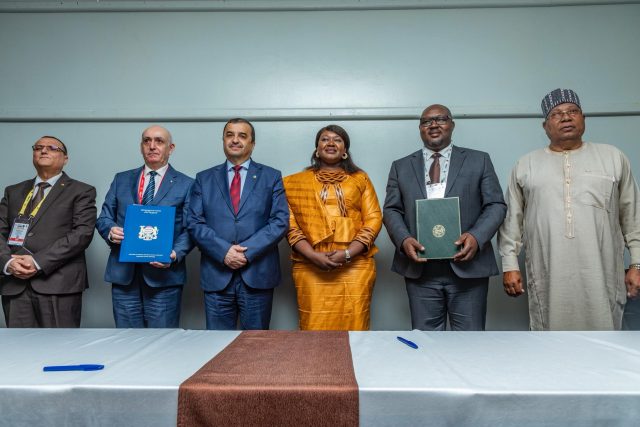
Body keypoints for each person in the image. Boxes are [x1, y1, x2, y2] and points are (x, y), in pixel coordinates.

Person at [498, 88, 640, 330]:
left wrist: (636, 265)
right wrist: (510, 265)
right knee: (551, 339)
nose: (565, 117)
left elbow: (632, 217)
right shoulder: (526, 165)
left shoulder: (613, 158)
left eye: (573, 111)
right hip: (548, 274)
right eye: (556, 114)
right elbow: (511, 222)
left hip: (602, 273)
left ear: (584, 119)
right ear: (545, 126)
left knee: (605, 338)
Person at [383, 104, 506, 331]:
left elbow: (496, 205)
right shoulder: (400, 167)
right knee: (426, 341)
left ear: (452, 125)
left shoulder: (479, 160)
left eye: (440, 119)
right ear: (420, 128)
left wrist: (476, 237)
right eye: (426, 121)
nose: (433, 125)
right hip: (420, 270)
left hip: (469, 267)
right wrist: (403, 240)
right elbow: (391, 210)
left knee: (469, 340)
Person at [188, 118, 288, 330]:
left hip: (257, 274)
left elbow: (279, 221)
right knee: (217, 344)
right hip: (217, 274)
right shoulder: (204, 178)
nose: (235, 140)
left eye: (242, 136)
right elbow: (194, 222)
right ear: (223, 140)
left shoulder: (271, 176)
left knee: (256, 344)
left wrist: (245, 253)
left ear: (252, 143)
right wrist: (224, 251)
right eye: (229, 135)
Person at [283, 125, 382, 330]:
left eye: (337, 139)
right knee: (314, 328)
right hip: (309, 264)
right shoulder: (294, 183)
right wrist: (312, 255)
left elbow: (373, 218)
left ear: (345, 150)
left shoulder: (360, 179)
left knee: (355, 326)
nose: (330, 143)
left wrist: (348, 253)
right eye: (324, 139)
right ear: (317, 149)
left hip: (355, 265)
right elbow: (290, 225)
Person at [96, 125, 194, 328]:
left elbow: (191, 227)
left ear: (171, 148)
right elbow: (104, 218)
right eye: (147, 141)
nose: (152, 146)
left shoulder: (187, 184)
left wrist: (175, 253)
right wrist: (111, 231)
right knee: (127, 340)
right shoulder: (121, 179)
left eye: (159, 141)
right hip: (124, 276)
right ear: (141, 146)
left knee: (162, 340)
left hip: (164, 277)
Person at [0, 136, 96, 327]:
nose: (43, 151)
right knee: (19, 345)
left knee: (60, 345)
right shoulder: (13, 191)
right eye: (38, 148)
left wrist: (37, 262)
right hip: (14, 283)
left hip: (58, 284)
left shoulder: (81, 191)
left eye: (52, 148)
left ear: (65, 159)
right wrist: (8, 262)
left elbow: (82, 234)